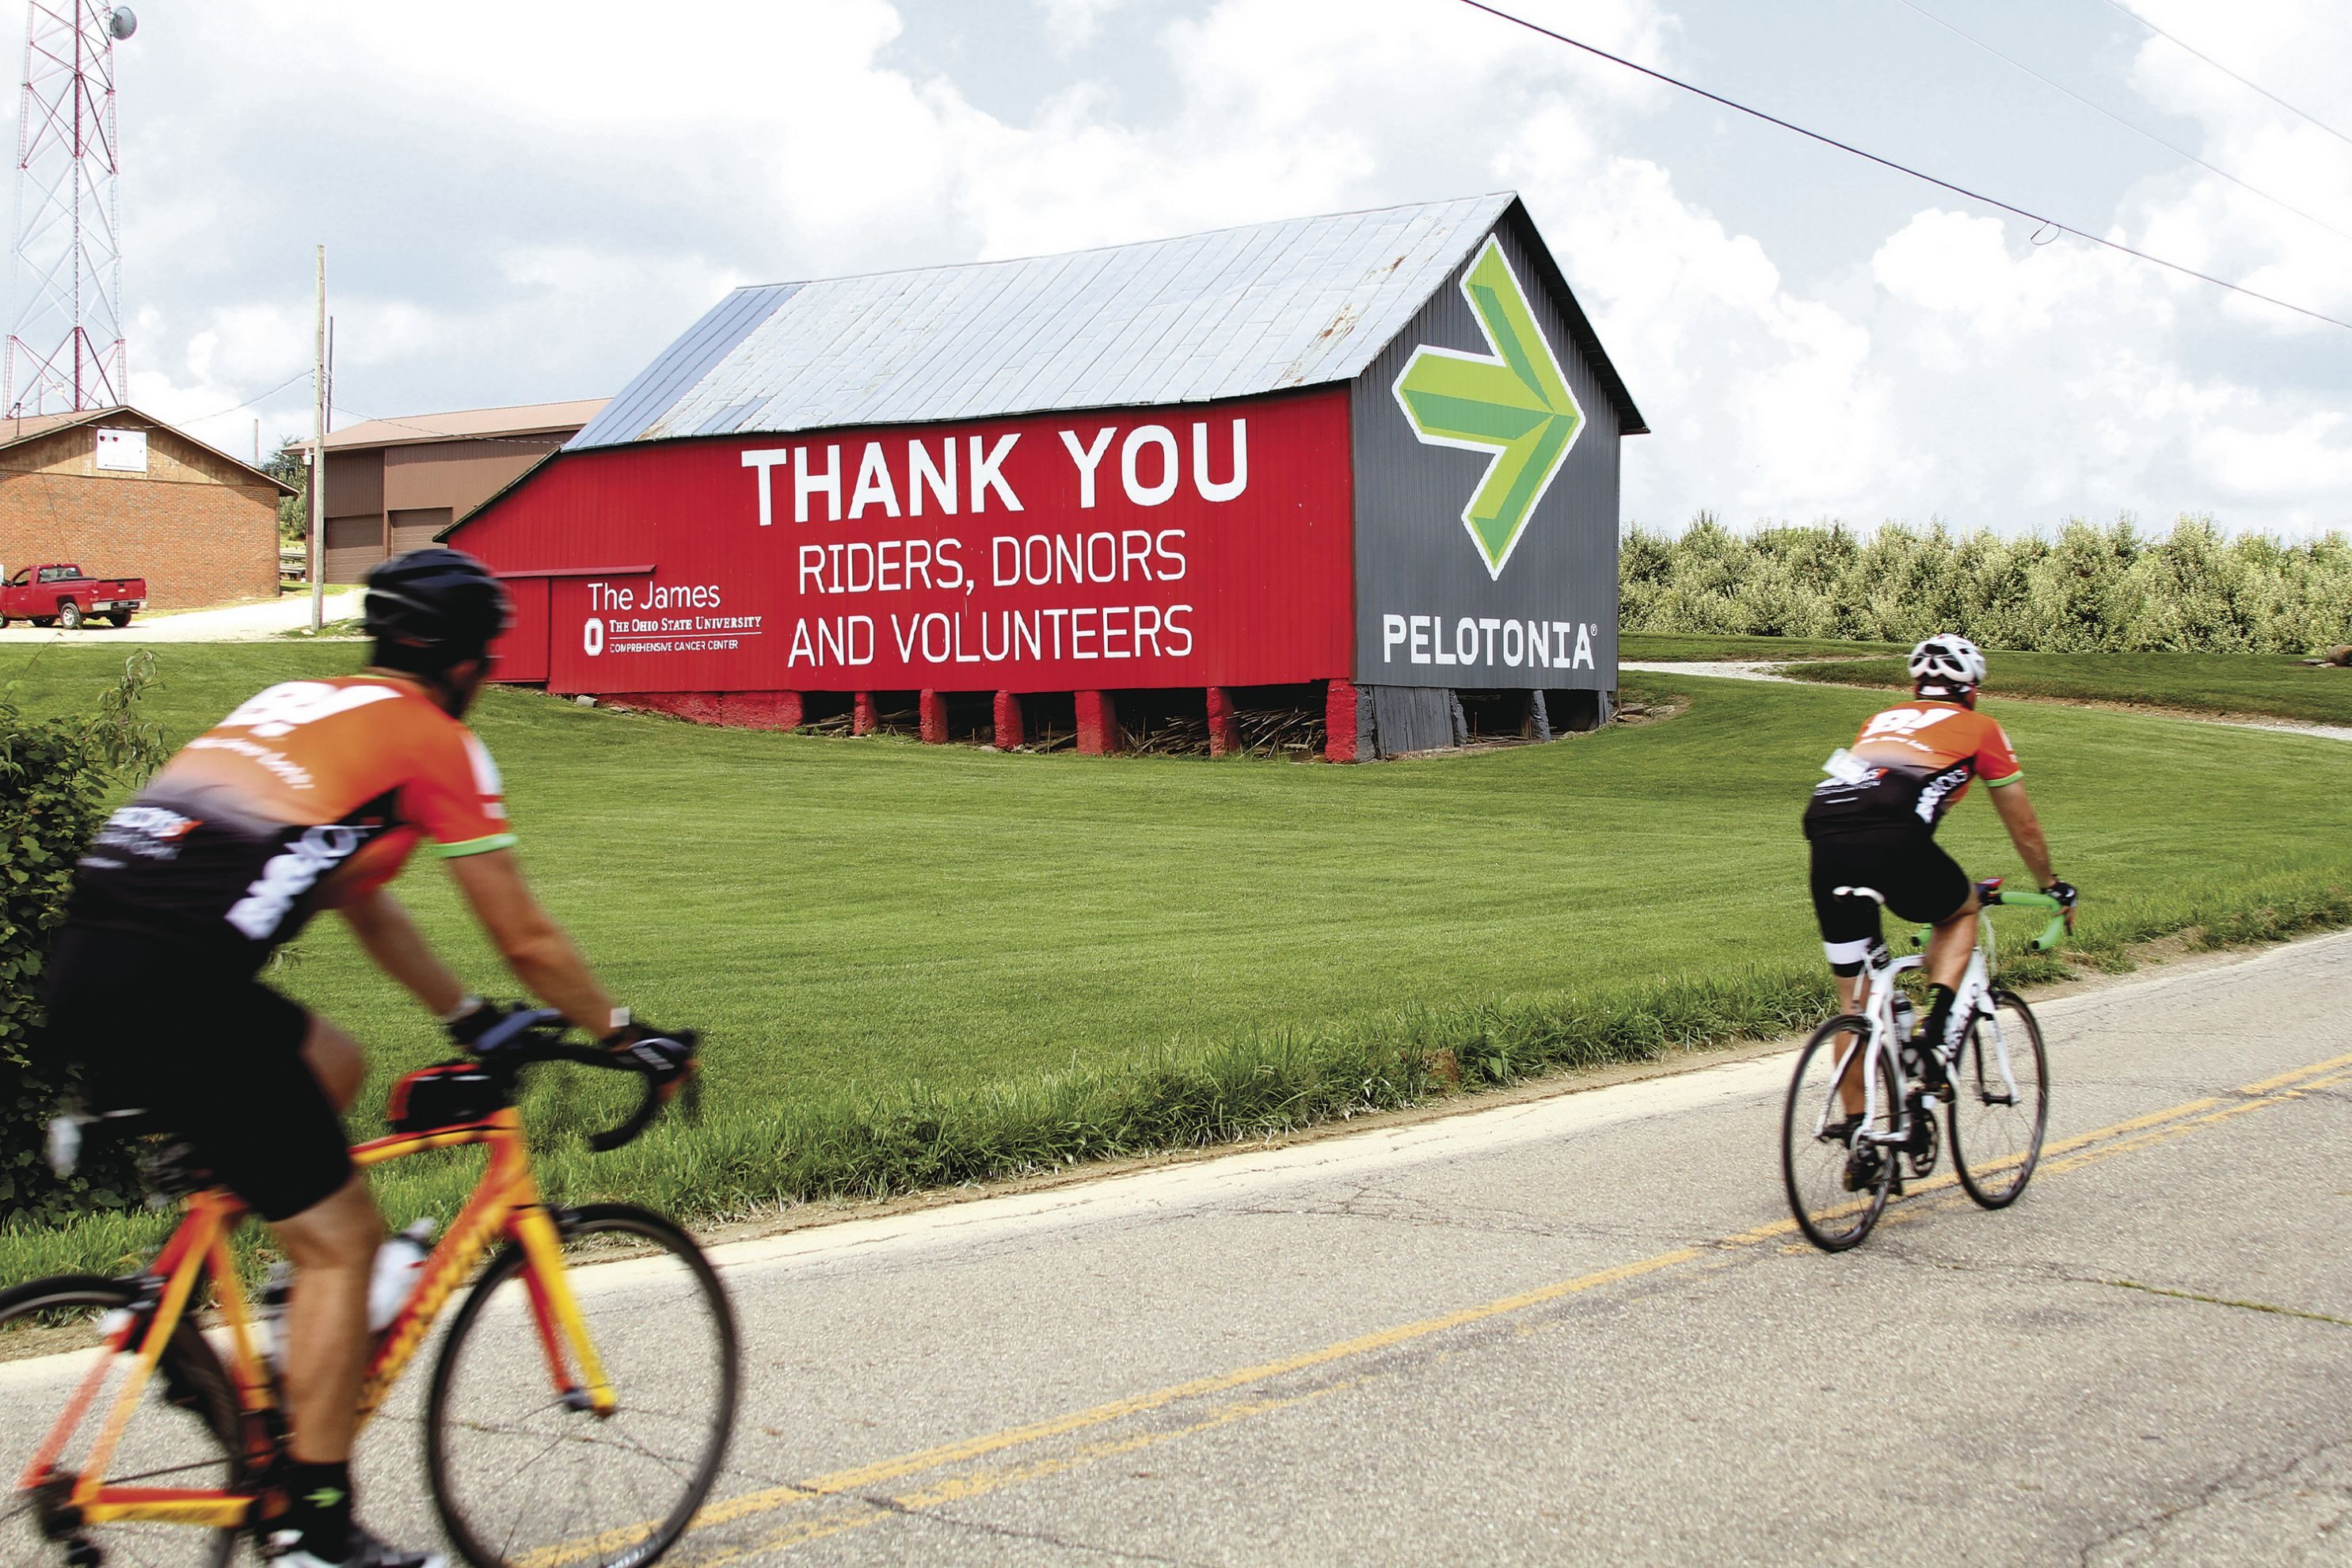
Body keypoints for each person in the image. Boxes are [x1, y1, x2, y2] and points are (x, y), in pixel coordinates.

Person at [41, 548, 684, 1568]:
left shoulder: (302, 701)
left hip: (86, 959)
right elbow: (524, 934)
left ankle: (223, 1270)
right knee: (346, 1235)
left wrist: (465, 1014)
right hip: (179, 987)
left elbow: (357, 896)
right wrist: (622, 1029)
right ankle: (315, 1529)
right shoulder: (434, 741)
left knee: (331, 1063)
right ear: (470, 662)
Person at [1802, 634, 2077, 1094]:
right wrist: (2050, 883)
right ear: (1971, 691)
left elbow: (1873, 792)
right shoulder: (1981, 728)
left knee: (1855, 1008)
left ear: (1915, 688)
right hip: (1891, 836)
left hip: (1825, 834)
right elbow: (2023, 825)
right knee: (1961, 909)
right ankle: (1933, 1035)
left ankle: (1859, 1144)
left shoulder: (1880, 720)